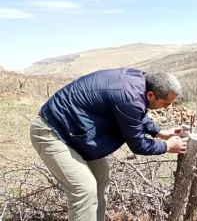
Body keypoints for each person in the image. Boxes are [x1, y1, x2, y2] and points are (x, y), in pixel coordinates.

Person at [29, 68, 188, 221]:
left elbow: (135, 113)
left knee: (101, 174)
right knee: (84, 189)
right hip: (51, 131)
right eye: (166, 103)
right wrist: (166, 146)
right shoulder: (129, 96)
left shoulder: (138, 87)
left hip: (73, 131)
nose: (168, 108)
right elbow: (138, 144)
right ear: (151, 95)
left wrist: (160, 132)